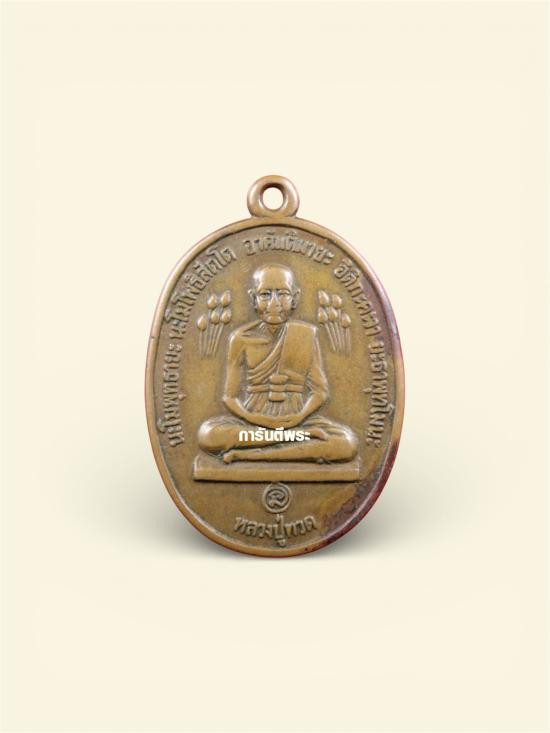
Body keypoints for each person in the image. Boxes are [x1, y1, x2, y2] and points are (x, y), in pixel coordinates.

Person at [198, 264, 358, 463]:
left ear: (295, 298)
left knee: (346, 444)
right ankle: (294, 438)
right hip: (253, 421)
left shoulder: (306, 334)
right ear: (253, 299)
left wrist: (299, 418)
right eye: (265, 294)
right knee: (209, 435)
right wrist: (259, 420)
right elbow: (229, 397)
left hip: (297, 418)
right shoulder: (240, 339)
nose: (274, 303)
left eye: (282, 294)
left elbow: (320, 392)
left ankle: (251, 454)